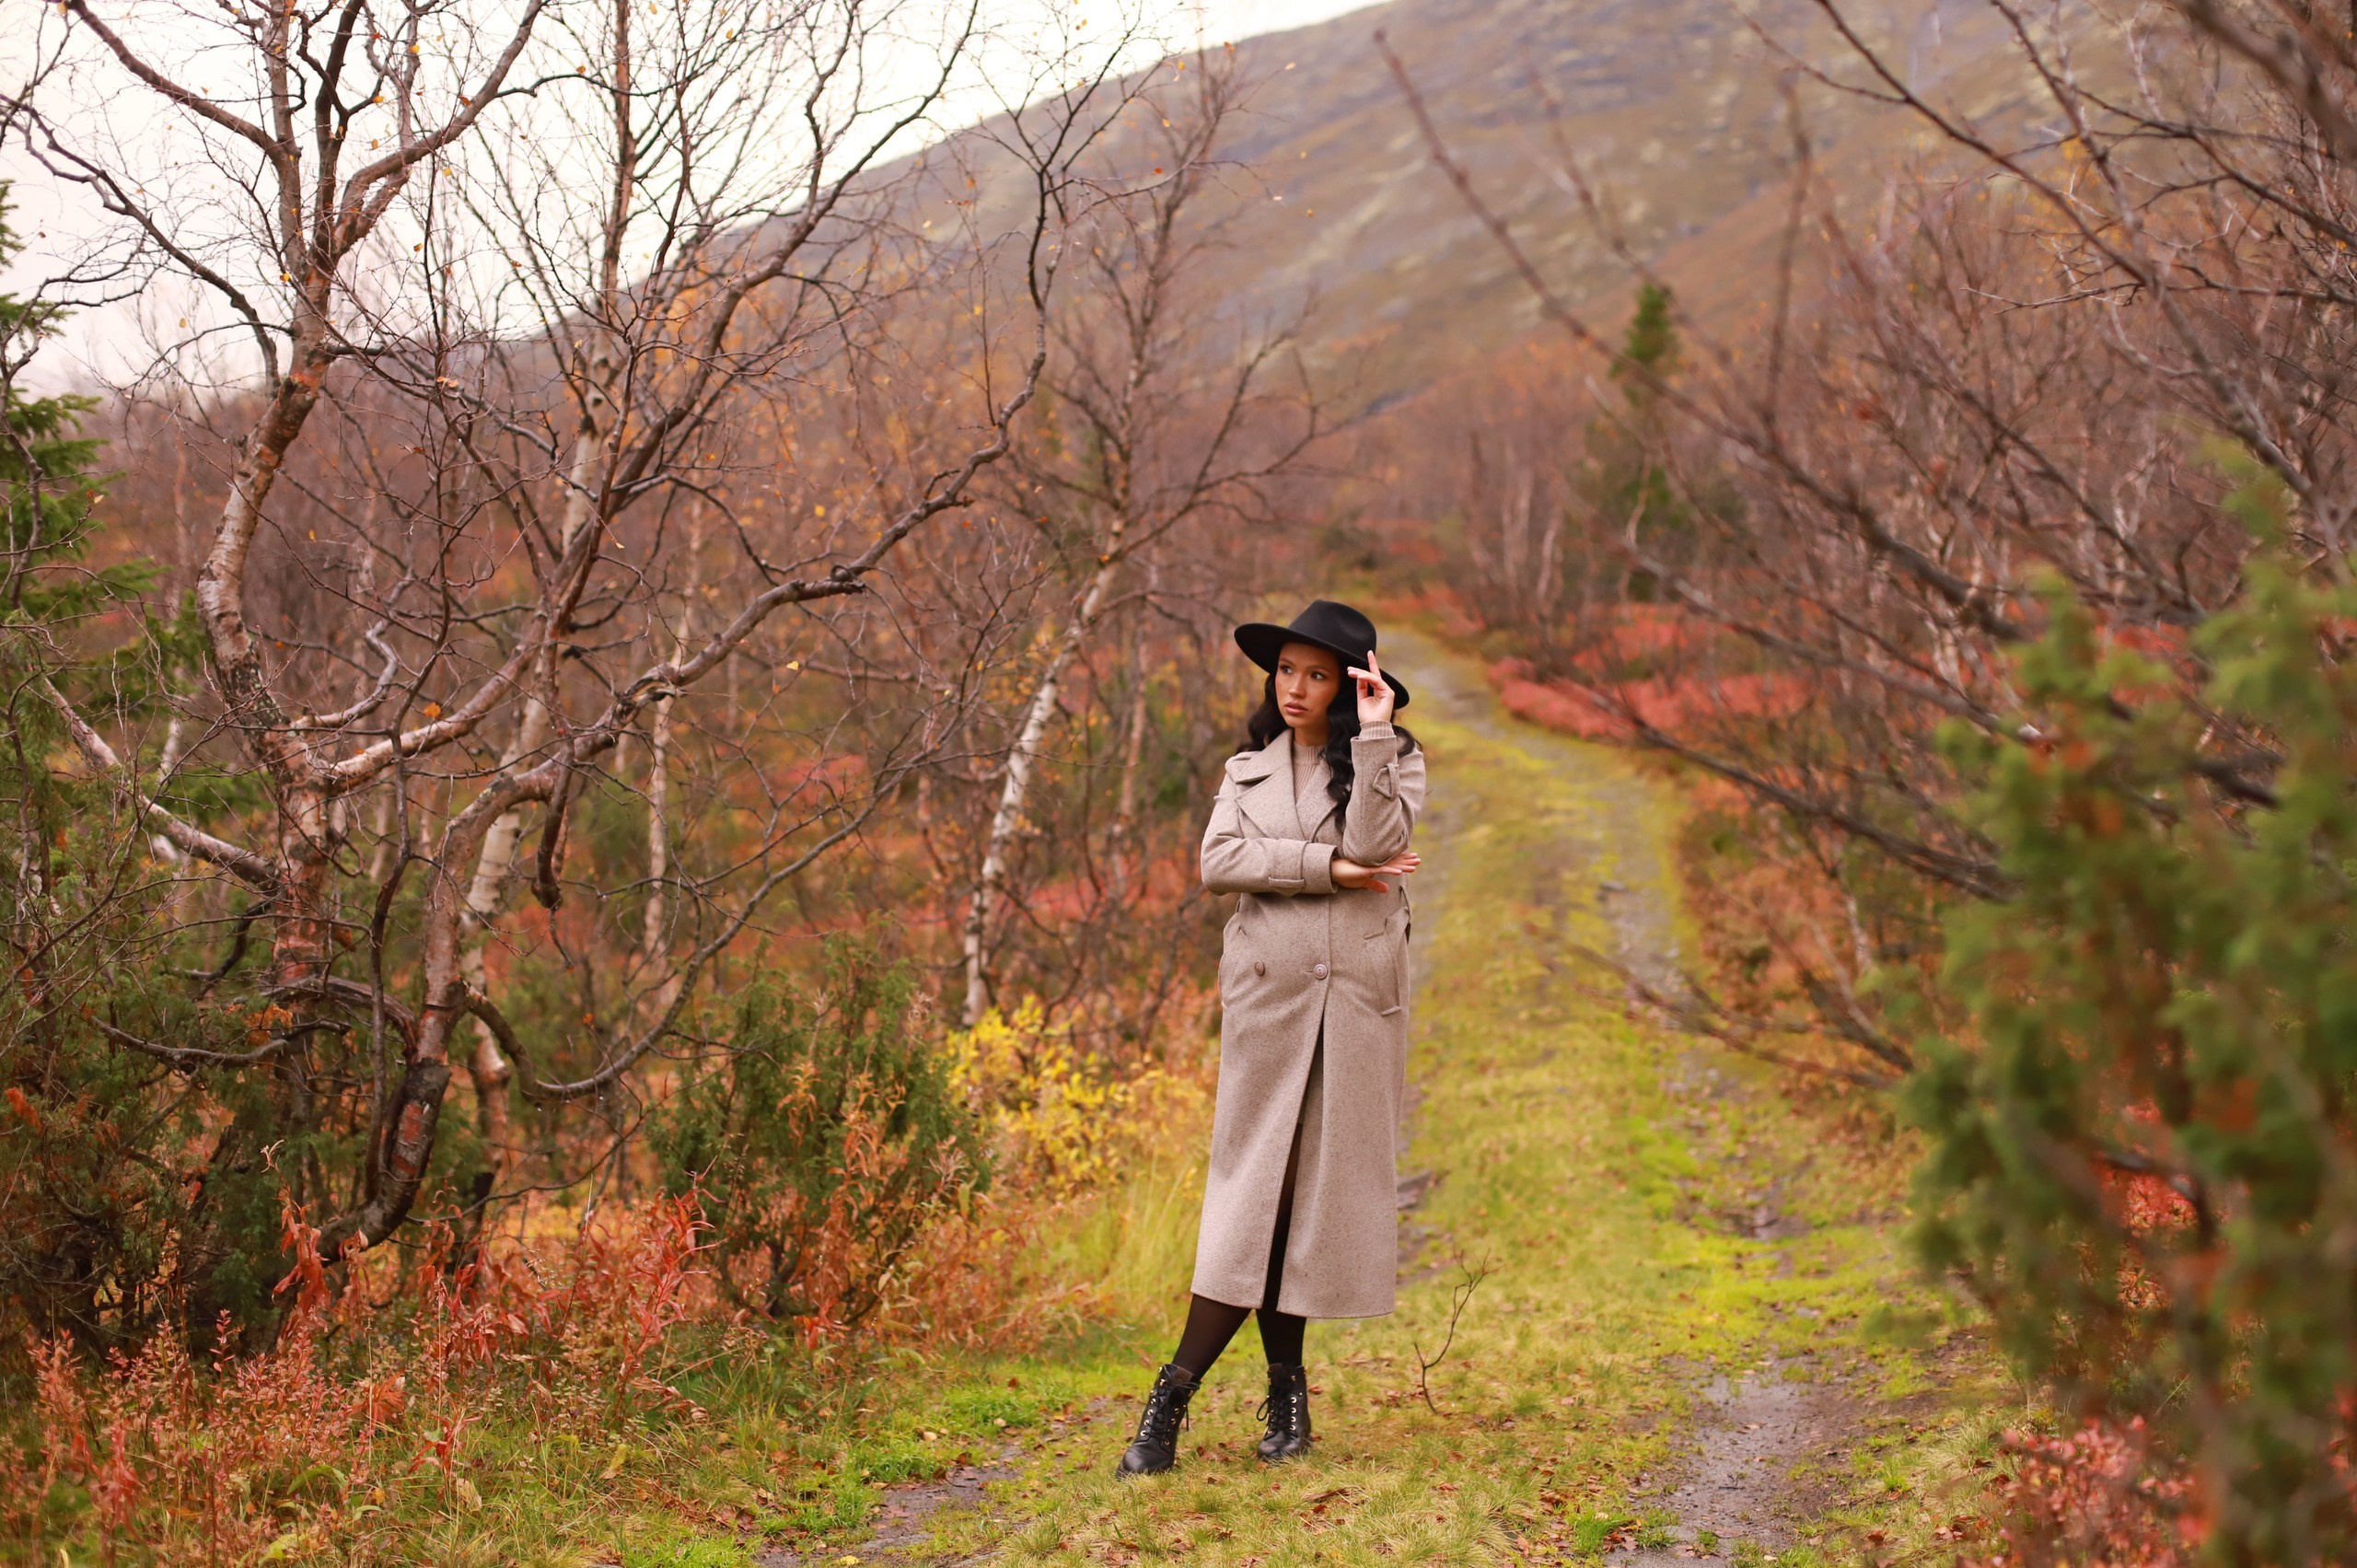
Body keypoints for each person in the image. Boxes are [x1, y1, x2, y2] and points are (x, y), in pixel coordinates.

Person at [1118, 599, 1426, 1477]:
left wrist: (1372, 737)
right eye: (1287, 670)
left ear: (1353, 684)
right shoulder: (1246, 771)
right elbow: (1221, 864)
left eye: (1319, 674)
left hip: (1355, 1013)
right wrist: (1326, 869)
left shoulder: (1395, 760)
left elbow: (1381, 842)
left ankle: (1287, 1395)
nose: (1297, 687)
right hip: (1267, 1006)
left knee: (1301, 1205)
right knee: (1252, 1202)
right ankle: (1170, 1395)